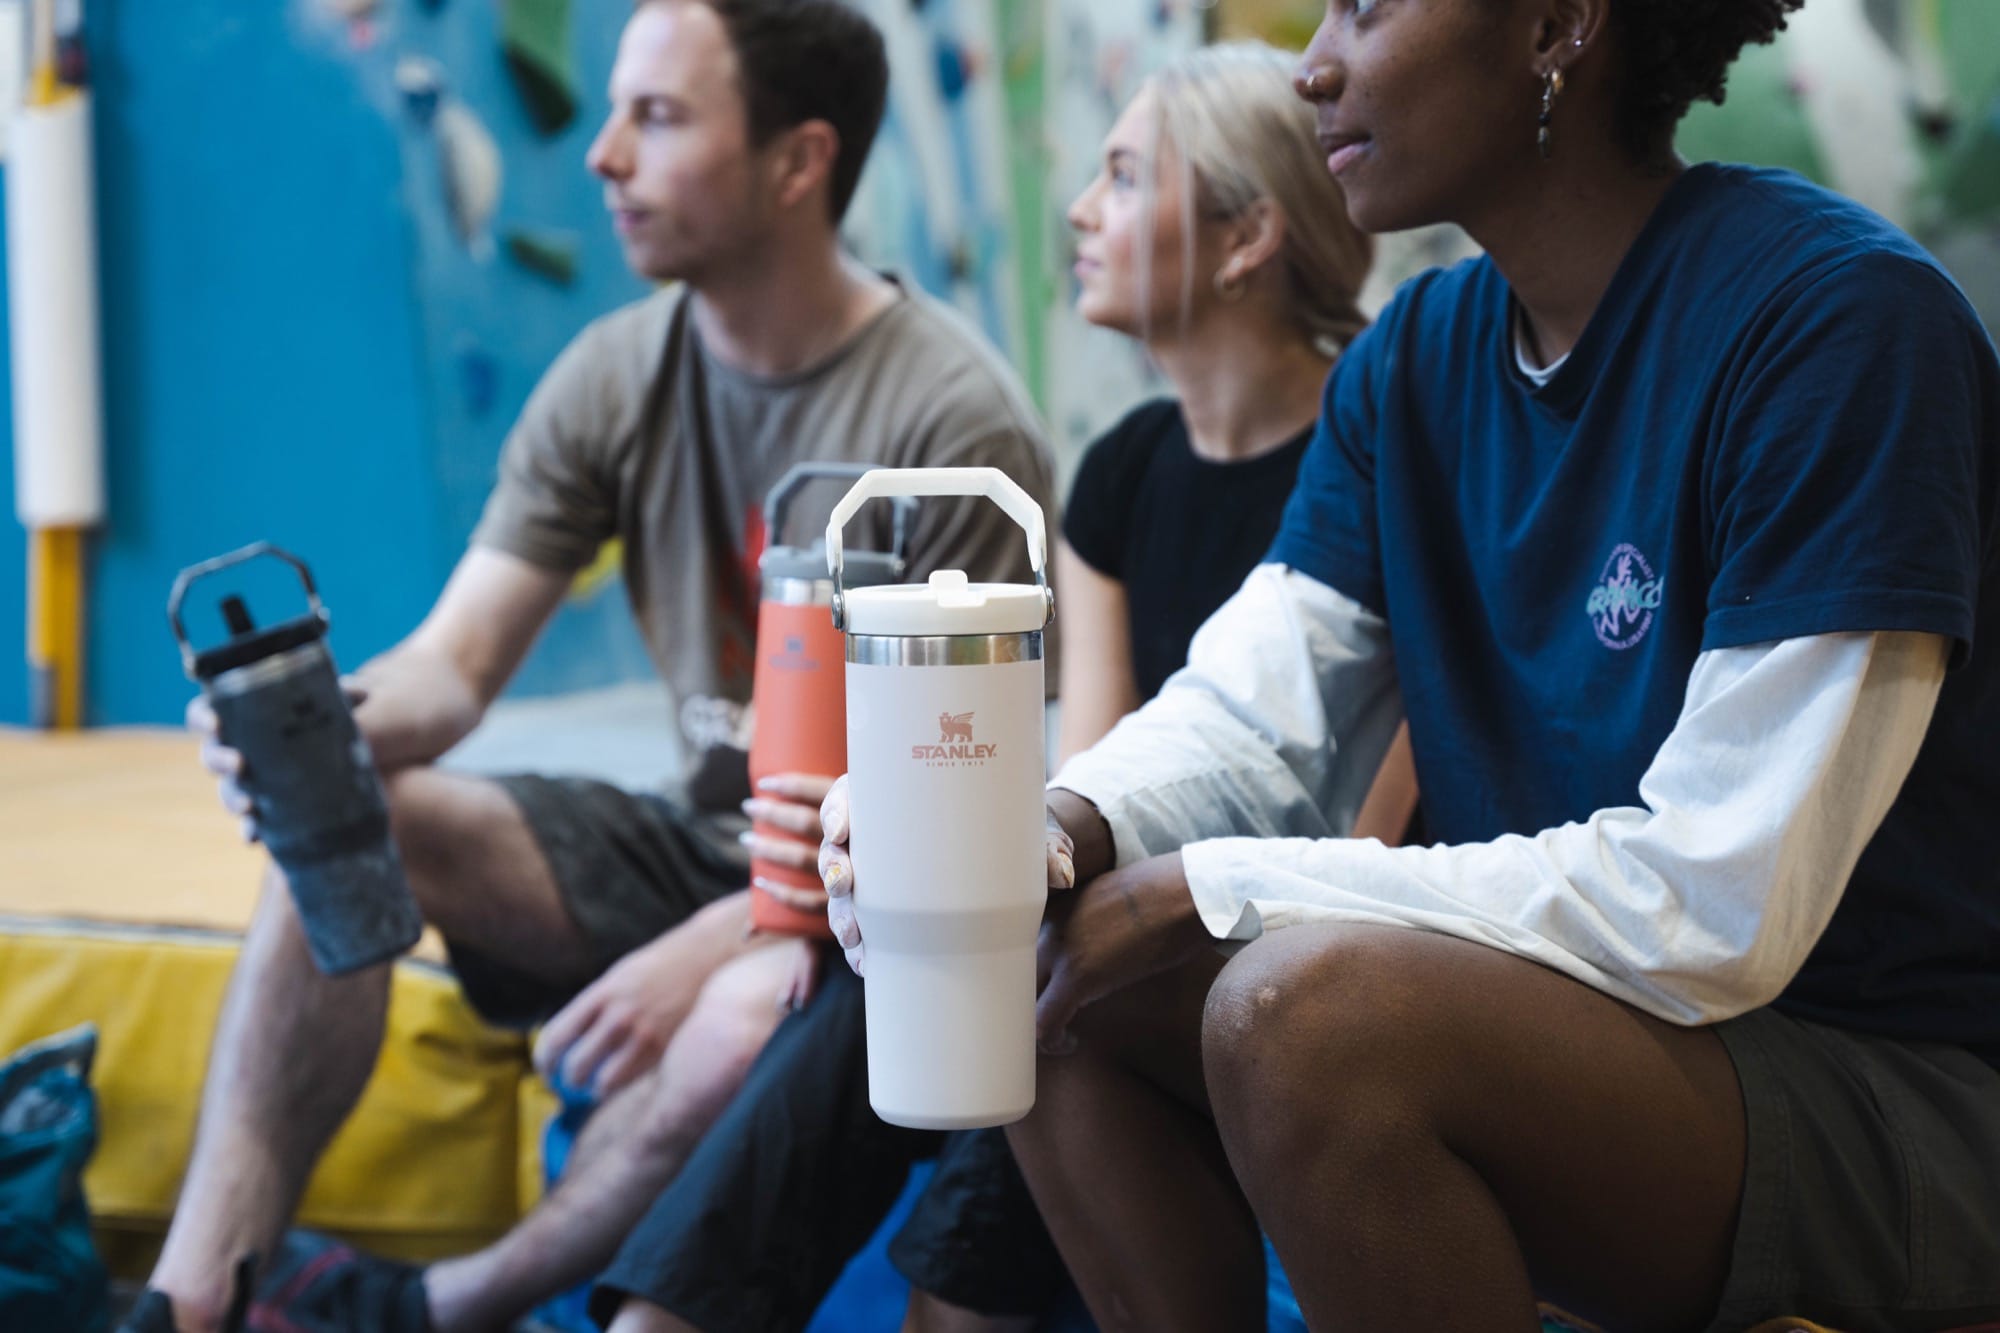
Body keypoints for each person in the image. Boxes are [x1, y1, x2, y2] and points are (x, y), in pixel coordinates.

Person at [824, 0, 2000, 1329]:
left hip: (1892, 1101)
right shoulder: (1415, 357)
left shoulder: (1840, 322)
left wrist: (1204, 892)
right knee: (1051, 969)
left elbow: (1711, 906)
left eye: (1368, 8)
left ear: (1558, 25)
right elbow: (1249, 714)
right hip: (1608, 1038)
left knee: (1305, 1014)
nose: (1315, 66)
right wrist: (1049, 830)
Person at [123, 3, 1057, 1332]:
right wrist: (320, 733)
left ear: (799, 161)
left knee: (737, 1016)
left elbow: (961, 821)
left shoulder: (954, 425)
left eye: (657, 118)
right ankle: (191, 1298)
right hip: (702, 839)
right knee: (352, 807)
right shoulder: (616, 372)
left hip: (869, 893)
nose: (605, 154)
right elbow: (455, 666)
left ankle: (442, 1308)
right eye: (612, 111)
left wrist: (723, 940)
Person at [589, 42, 1411, 1333]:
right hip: (1114, 909)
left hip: (1276, 934)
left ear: (1248, 237)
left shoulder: (1378, 457)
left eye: (1124, 177)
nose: (1080, 210)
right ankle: (670, 1318)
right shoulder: (1123, 471)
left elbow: (1376, 831)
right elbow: (1091, 775)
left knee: (1022, 990)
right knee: (913, 952)